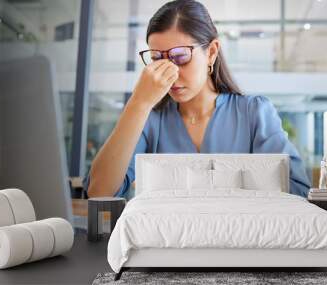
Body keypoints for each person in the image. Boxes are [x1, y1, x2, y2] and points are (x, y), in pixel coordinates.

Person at [85, 0, 311, 199]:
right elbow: (99, 192)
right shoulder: (150, 118)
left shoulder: (253, 113)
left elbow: (297, 191)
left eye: (180, 57)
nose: (170, 72)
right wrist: (138, 103)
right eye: (156, 59)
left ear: (211, 52)